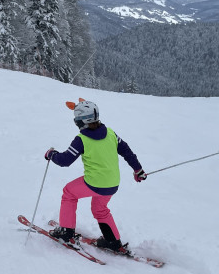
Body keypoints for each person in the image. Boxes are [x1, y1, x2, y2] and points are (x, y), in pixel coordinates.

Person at [44, 99, 147, 251]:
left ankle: (66, 233)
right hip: (112, 184)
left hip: (94, 183)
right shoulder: (111, 133)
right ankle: (113, 242)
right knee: (100, 209)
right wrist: (138, 170)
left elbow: (65, 160)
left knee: (69, 193)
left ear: (81, 121)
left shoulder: (82, 139)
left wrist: (51, 154)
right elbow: (126, 151)